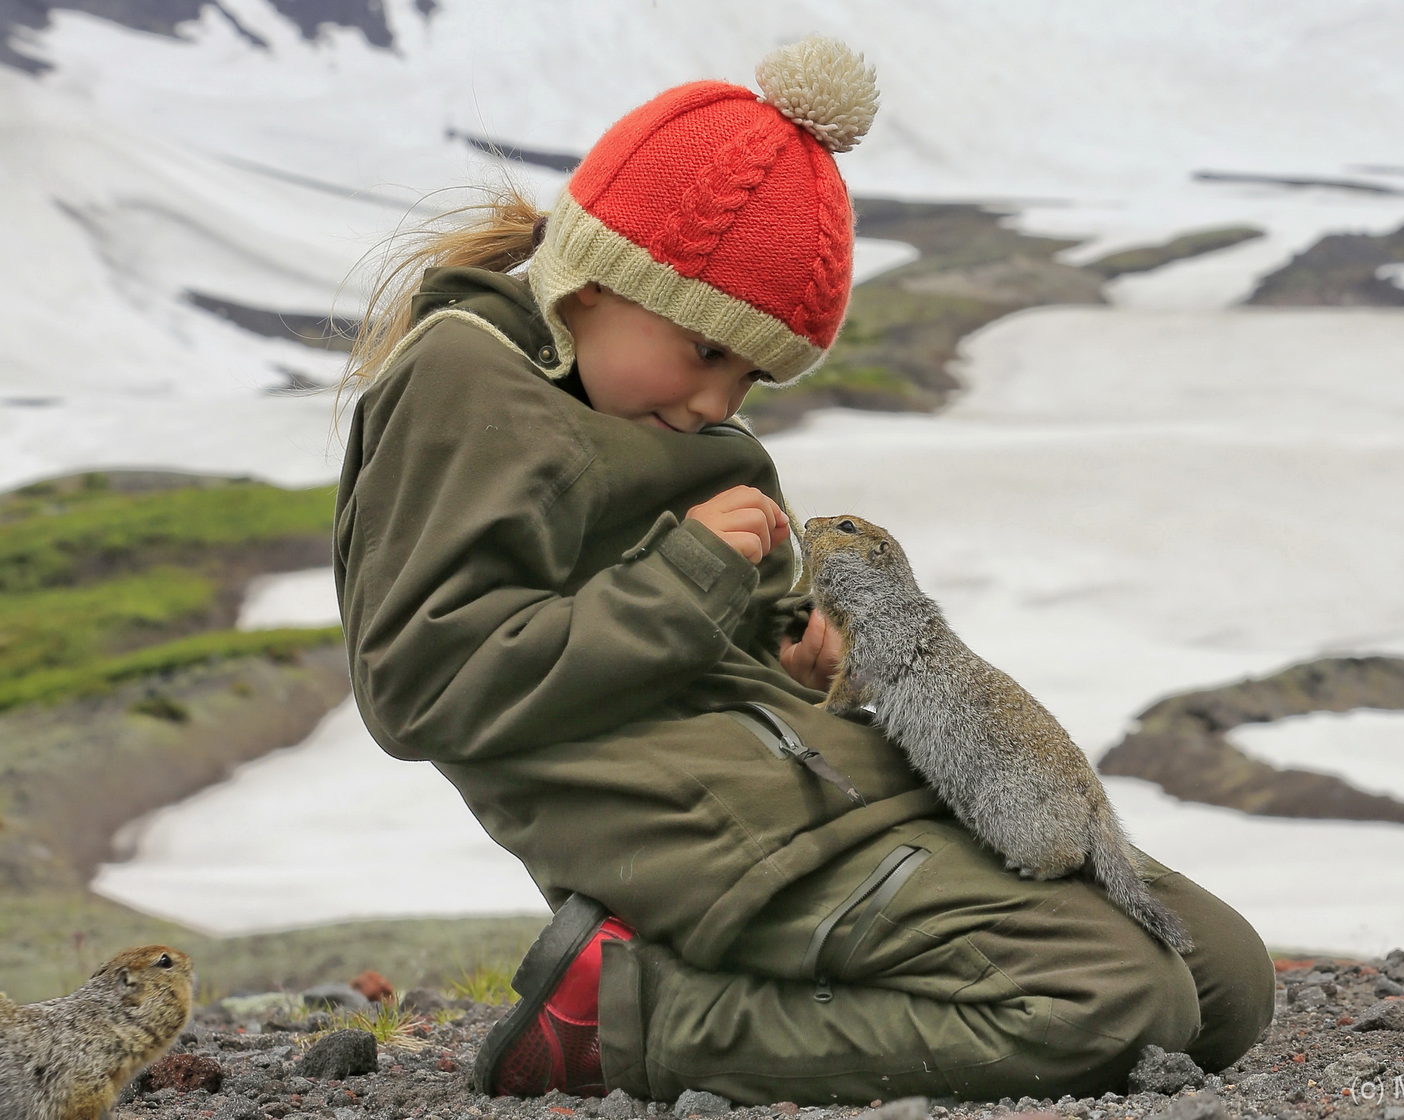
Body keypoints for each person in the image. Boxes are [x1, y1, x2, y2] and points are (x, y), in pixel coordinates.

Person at [332, 35, 1274, 1106]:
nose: (720, 404)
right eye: (707, 350)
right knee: (1118, 1000)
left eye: (752, 375)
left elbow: (737, 649)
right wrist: (689, 577)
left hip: (823, 789)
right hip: (703, 835)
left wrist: (807, 655)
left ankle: (695, 985)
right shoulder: (466, 384)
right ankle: (636, 1020)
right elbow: (419, 685)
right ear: (598, 282)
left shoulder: (681, 429)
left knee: (1227, 980)